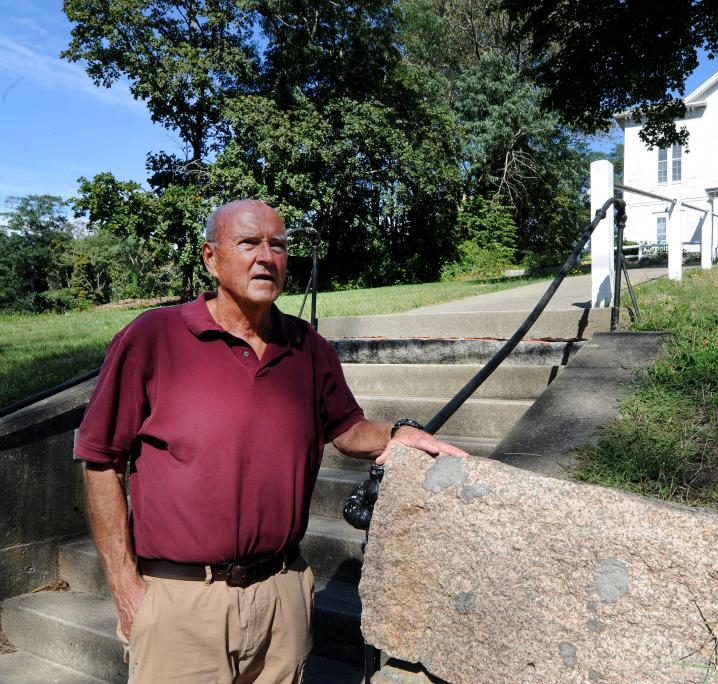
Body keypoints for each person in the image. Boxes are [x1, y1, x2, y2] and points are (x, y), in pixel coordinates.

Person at [75, 199, 468, 682]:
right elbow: (102, 462)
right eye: (248, 243)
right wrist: (124, 586)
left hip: (283, 596)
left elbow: (346, 428)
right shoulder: (153, 337)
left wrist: (394, 434)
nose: (266, 256)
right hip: (181, 601)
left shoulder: (309, 347)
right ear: (210, 257)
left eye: (277, 245)